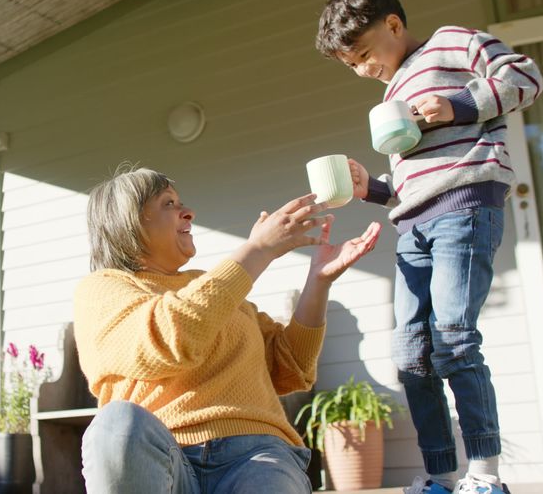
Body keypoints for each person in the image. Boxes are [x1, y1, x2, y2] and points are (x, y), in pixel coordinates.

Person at [315, 0, 543, 494]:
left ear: (394, 24)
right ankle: (441, 475)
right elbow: (413, 181)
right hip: (415, 225)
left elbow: (525, 77)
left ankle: (485, 475)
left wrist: (460, 105)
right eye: (351, 65)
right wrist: (369, 188)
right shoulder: (393, 93)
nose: (362, 70)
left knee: (453, 341)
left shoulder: (453, 43)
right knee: (410, 353)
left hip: (464, 209)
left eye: (365, 54)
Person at [74, 165, 381, 494]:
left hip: (257, 457)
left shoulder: (211, 286)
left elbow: (290, 368)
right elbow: (170, 338)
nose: (188, 212)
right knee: (115, 423)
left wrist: (318, 281)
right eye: (169, 204)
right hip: (164, 464)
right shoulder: (103, 289)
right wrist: (257, 251)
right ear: (129, 222)